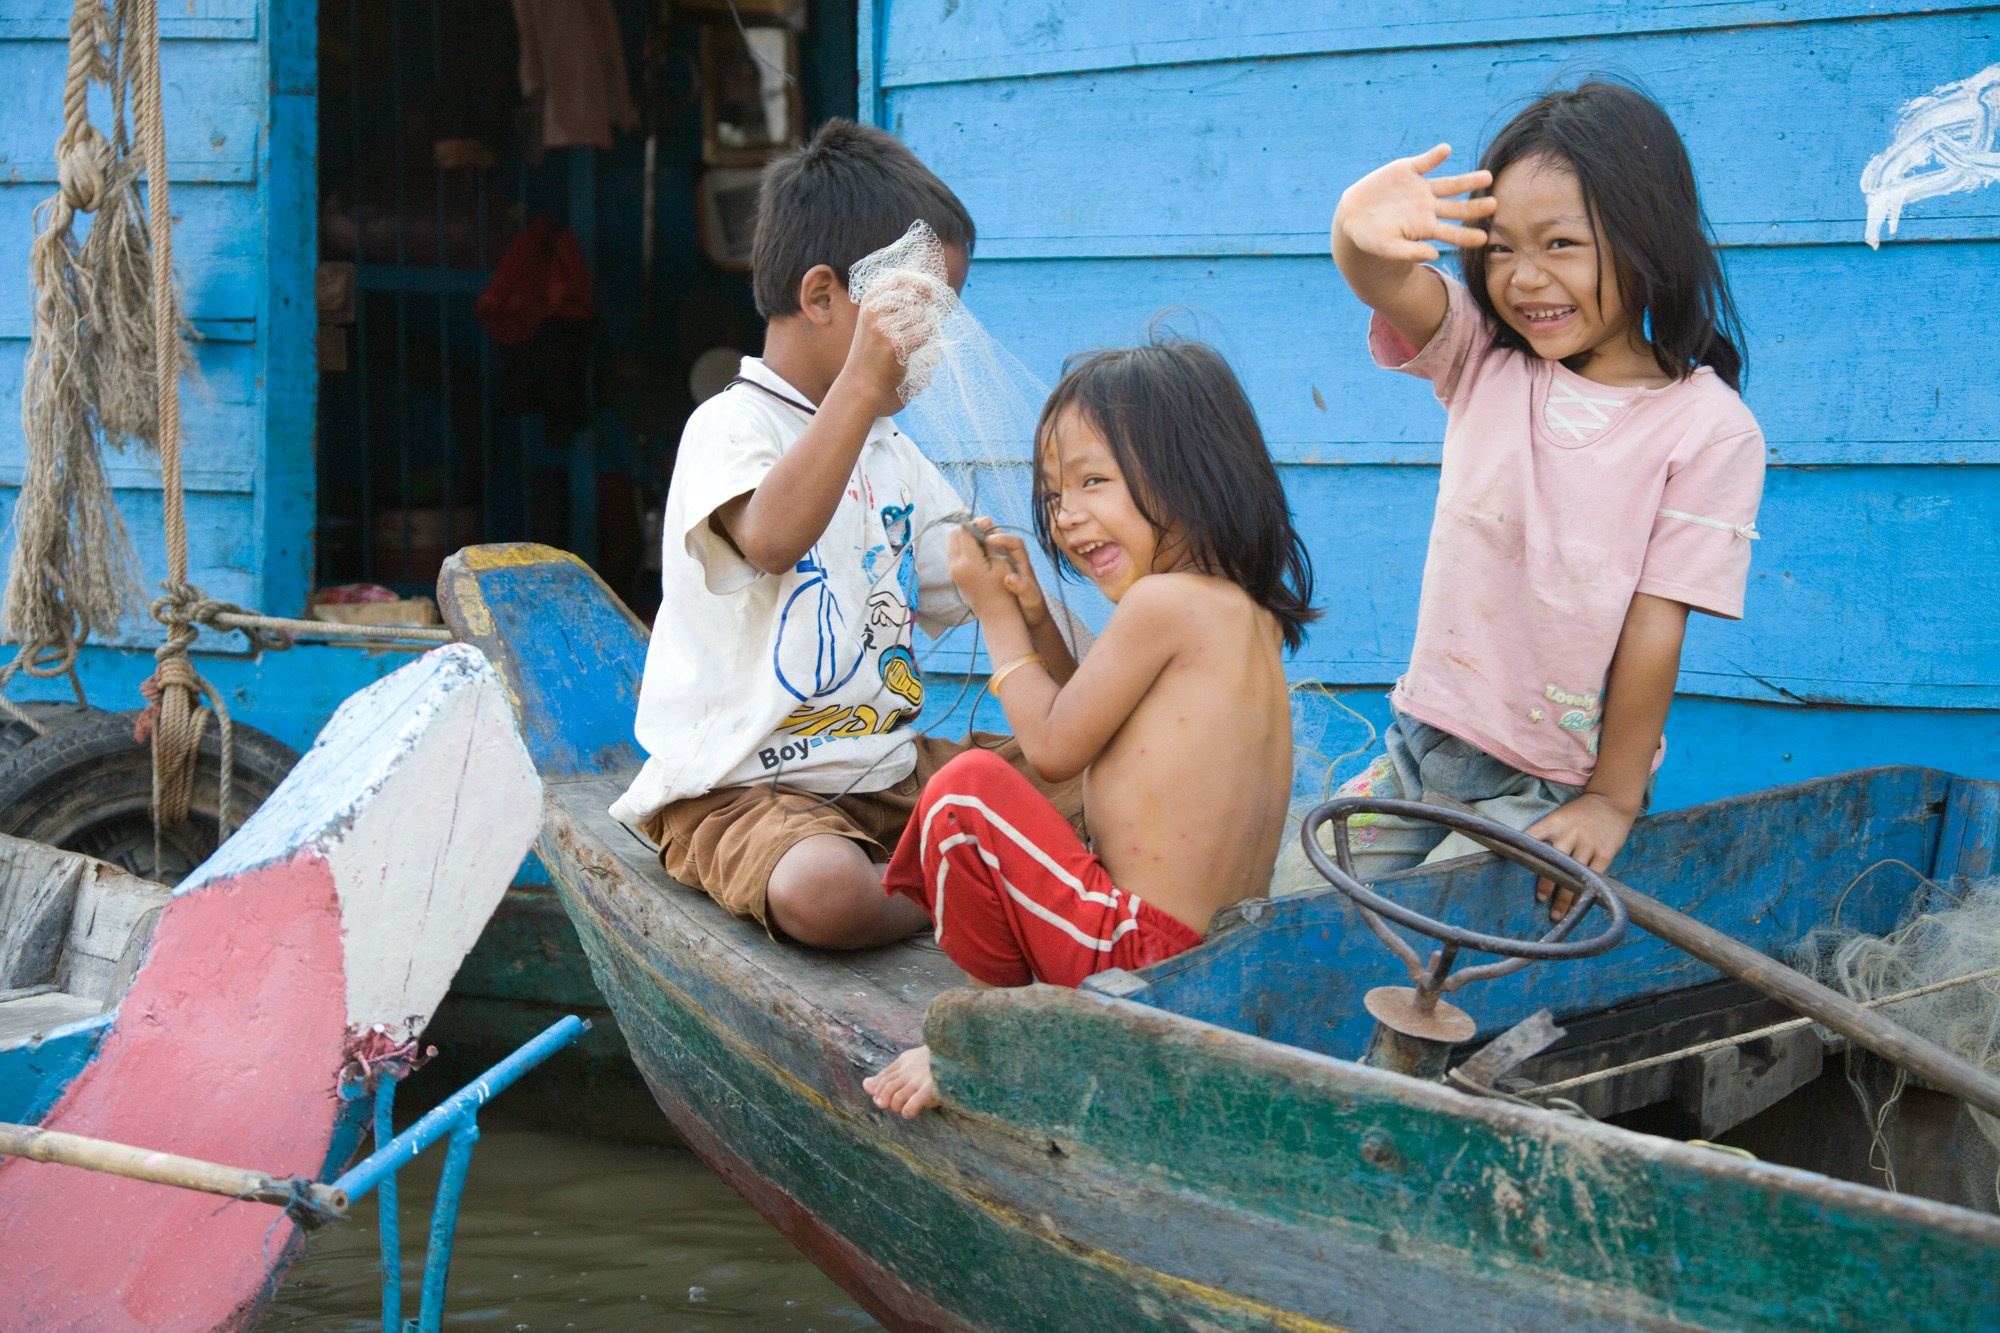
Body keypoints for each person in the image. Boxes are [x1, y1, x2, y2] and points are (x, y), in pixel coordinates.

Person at [609, 120, 1081, 949]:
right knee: (825, 892)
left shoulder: (894, 453)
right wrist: (863, 384)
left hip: (888, 773)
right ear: (823, 296)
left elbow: (970, 592)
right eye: (917, 315)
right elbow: (769, 539)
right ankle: (976, 880)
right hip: (745, 790)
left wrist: (1020, 592)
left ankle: (960, 867)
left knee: (1102, 774)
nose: (934, 346)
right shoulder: (731, 424)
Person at [1327, 81, 1765, 913]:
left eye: (1561, 243)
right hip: (1418, 747)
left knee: (1428, 938)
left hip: (1544, 782)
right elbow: (1382, 278)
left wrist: (1611, 798)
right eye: (1499, 249)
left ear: (1648, 241)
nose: (1526, 279)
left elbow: (1654, 622)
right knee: (1296, 909)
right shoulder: (1484, 356)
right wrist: (1356, 224)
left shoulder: (1708, 429)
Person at [865, 340, 1318, 1116]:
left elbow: (1051, 744)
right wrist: (1037, 612)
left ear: (1193, 471)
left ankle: (989, 1035)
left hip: (1136, 961)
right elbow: (1096, 722)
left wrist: (996, 615)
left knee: (966, 790)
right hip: (1208, 970)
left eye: (1093, 481)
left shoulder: (1161, 605)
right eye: (1054, 494)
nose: (1066, 515)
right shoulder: (1241, 612)